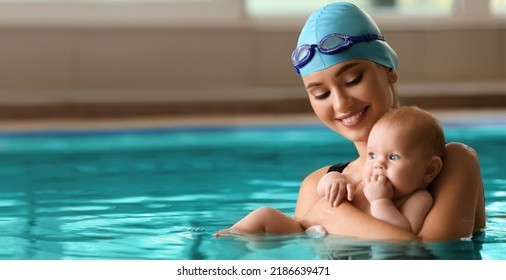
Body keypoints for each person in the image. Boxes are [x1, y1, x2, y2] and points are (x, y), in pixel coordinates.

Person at [216, 2, 485, 241]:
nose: (341, 104)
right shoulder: (316, 184)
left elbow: (436, 259)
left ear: (389, 71)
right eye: (321, 93)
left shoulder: (453, 163)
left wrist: (329, 214)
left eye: (353, 80)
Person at [214, 106, 444, 237]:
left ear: (429, 170)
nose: (378, 165)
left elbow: (404, 233)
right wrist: (333, 179)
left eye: (393, 157)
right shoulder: (362, 177)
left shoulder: (417, 198)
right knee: (265, 214)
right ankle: (226, 244)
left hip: (342, 247)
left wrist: (381, 201)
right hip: (307, 233)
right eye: (373, 155)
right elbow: (324, 191)